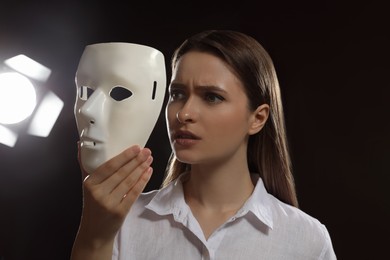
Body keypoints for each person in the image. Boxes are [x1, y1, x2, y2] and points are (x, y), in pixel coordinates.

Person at [71, 30, 337, 260]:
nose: (183, 113)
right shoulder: (121, 223)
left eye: (211, 97)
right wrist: (93, 238)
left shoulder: (307, 239)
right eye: (177, 94)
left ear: (257, 118)